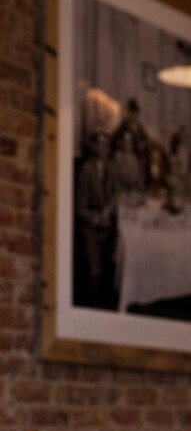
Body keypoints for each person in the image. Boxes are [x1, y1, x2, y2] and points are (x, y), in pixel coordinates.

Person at [75, 132, 118, 308]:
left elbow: (115, 193)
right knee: (94, 275)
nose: (103, 148)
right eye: (99, 144)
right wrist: (98, 219)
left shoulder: (111, 167)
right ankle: (92, 310)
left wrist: (110, 210)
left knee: (110, 271)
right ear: (93, 147)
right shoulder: (85, 169)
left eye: (106, 145)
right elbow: (79, 208)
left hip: (108, 226)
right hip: (91, 229)